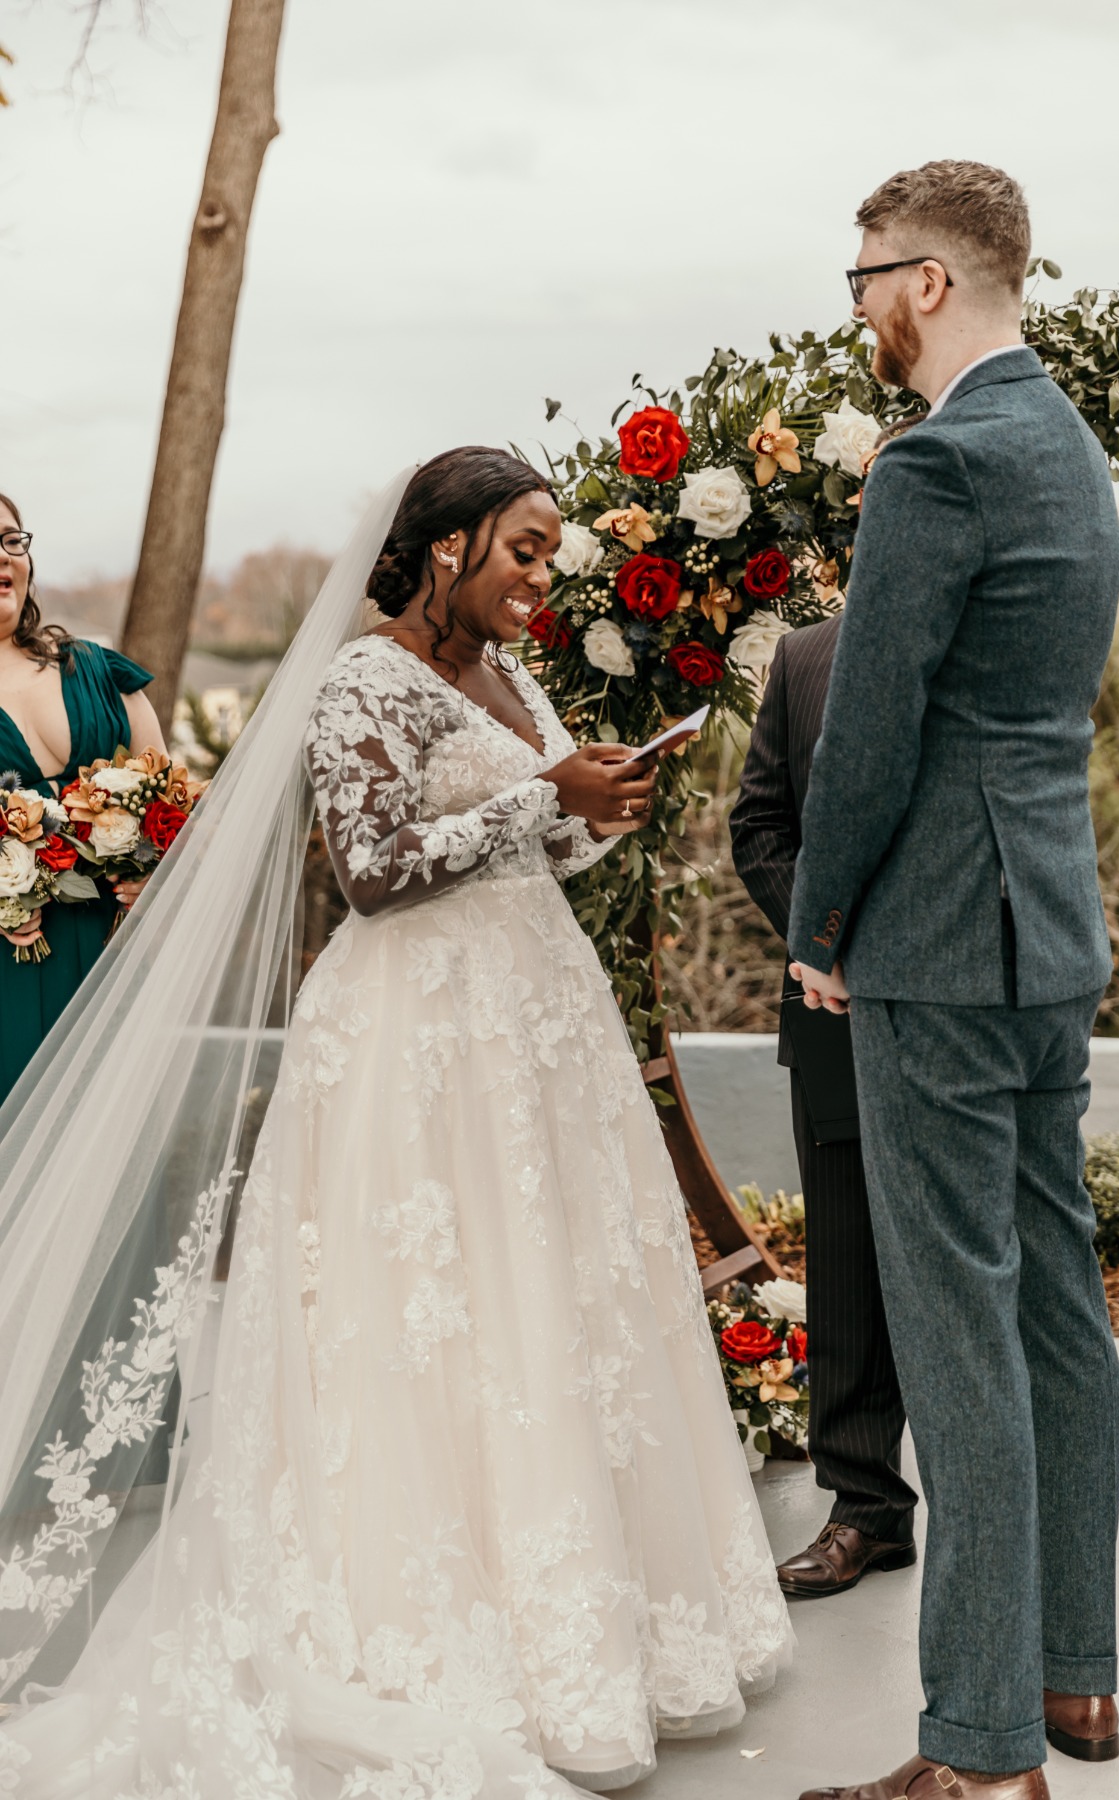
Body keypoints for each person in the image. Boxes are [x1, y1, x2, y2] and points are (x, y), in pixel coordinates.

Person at [0, 448, 791, 1797]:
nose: (543, 579)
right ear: (448, 547)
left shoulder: (510, 672)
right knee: (439, 1311)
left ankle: (596, 1619)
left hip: (533, 1024)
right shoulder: (366, 677)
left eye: (553, 556)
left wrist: (592, 804)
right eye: (525, 551)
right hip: (417, 1037)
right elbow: (370, 873)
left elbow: (532, 835)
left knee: (553, 1306)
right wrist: (549, 796)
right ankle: (431, 1628)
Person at [788, 162, 1119, 1800]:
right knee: (1057, 1304)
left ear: (926, 282)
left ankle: (981, 1756)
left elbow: (868, 739)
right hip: (1053, 933)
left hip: (934, 938)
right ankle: (1077, 1680)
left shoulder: (934, 467)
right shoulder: (1069, 449)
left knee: (958, 1332)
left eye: (864, 278)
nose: (856, 305)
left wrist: (817, 922)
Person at [730, 420, 924, 1605]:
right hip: (831, 1011)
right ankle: (865, 1508)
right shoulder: (802, 660)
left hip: (959, 1015)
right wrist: (820, 946)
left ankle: (1002, 1506)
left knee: (967, 1264)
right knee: (846, 1264)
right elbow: (759, 827)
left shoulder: (983, 657)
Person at [0, 493, 166, 1103]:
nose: (1, 556)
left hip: (113, 957)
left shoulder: (95, 670)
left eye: (10, 540)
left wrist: (156, 875)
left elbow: (174, 810)